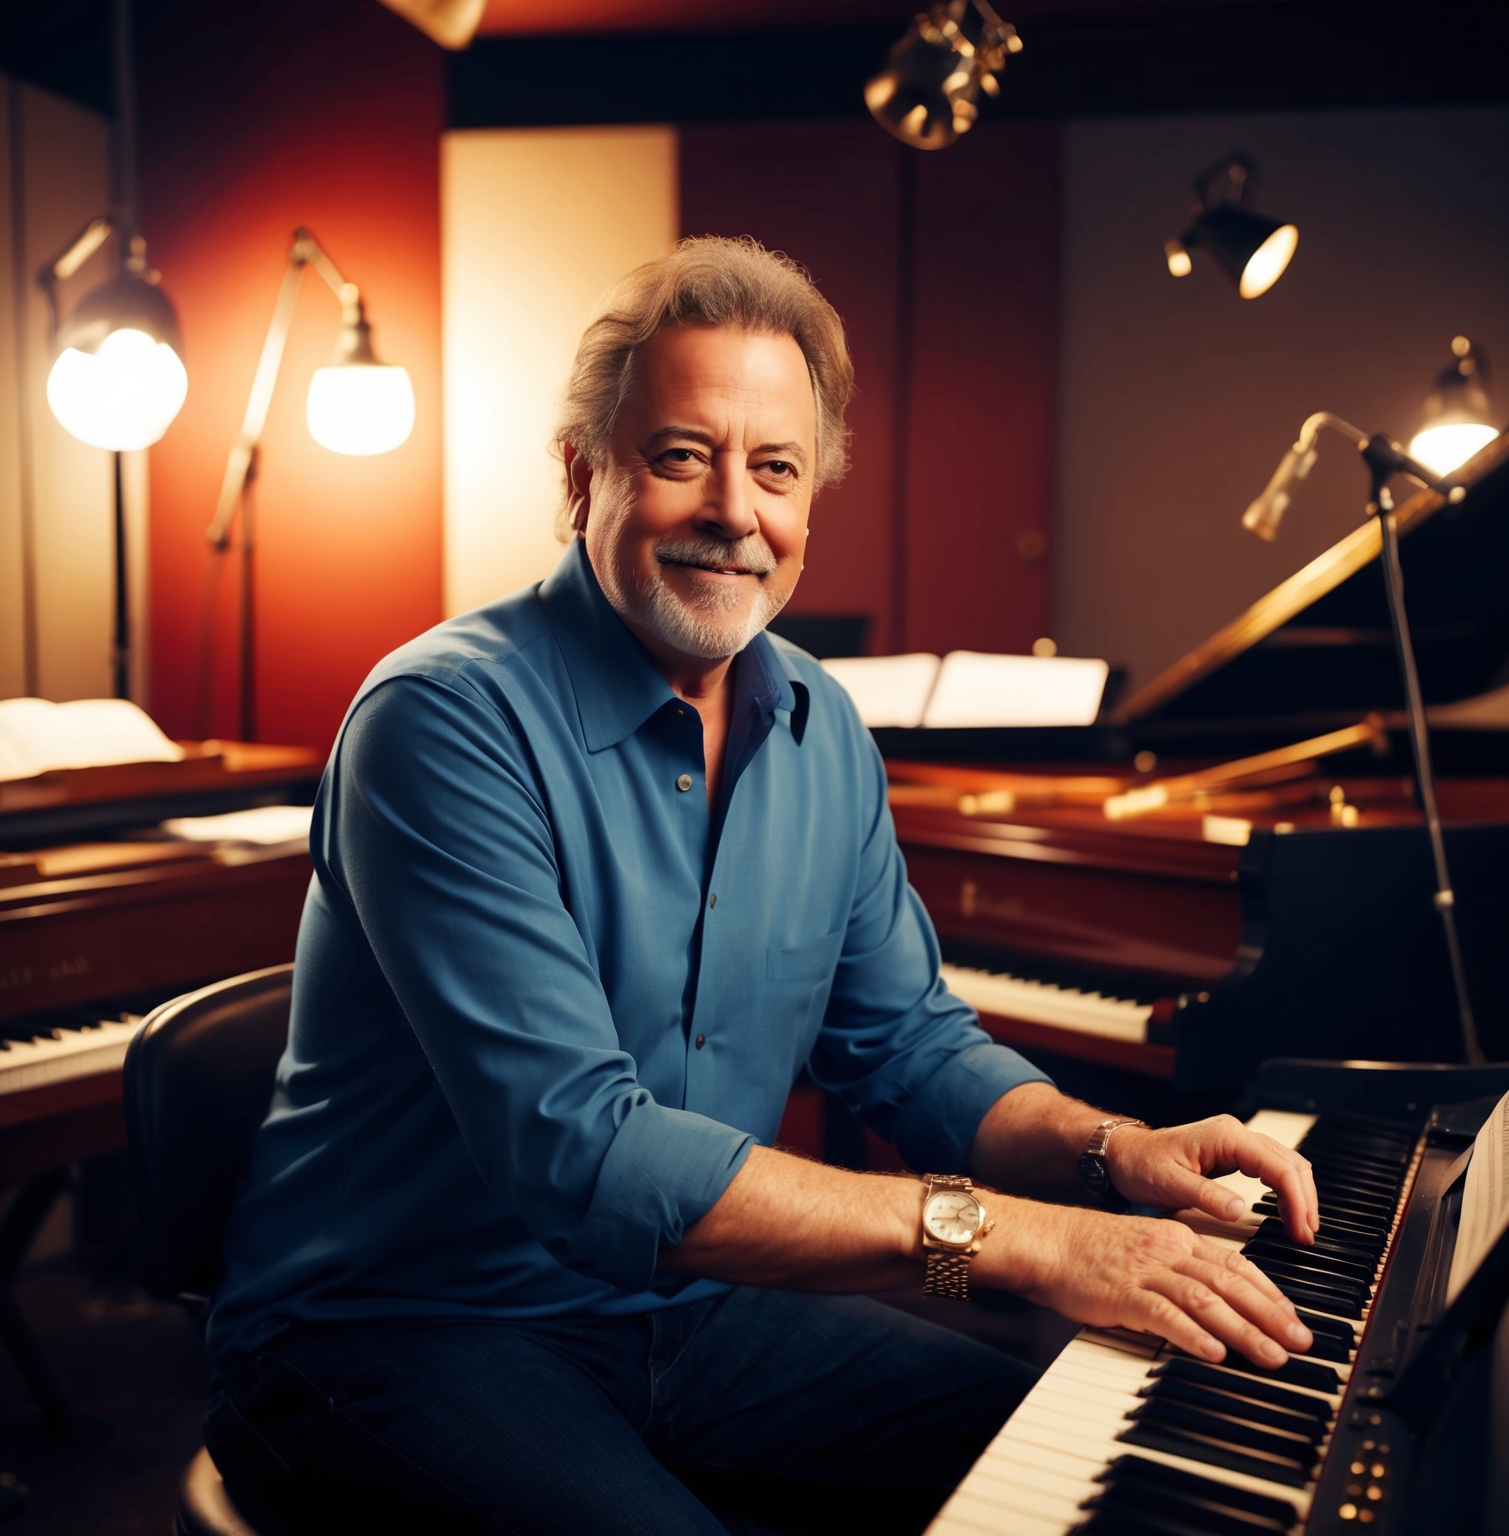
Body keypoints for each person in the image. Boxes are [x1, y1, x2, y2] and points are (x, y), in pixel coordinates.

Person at [203, 237, 1320, 1536]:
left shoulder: (822, 727)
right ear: (583, 476)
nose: (736, 509)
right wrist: (1023, 1242)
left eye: (776, 469)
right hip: (398, 1330)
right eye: (682, 456)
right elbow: (590, 1157)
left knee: (1101, 1478)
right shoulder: (444, 720)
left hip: (688, 1317)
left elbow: (905, 1045)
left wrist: (1106, 1154)